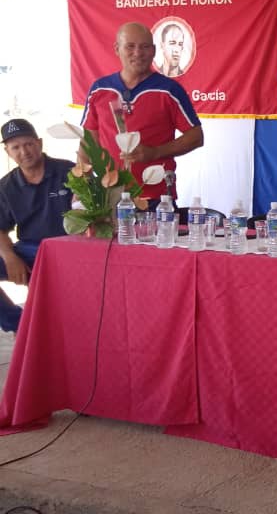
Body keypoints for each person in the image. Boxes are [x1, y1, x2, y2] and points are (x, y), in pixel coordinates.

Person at [81, 22, 203, 206]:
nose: (138, 53)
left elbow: (196, 137)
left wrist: (155, 152)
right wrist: (84, 185)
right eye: (130, 46)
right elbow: (88, 139)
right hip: (109, 196)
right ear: (117, 49)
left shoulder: (169, 90)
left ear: (154, 51)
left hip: (156, 199)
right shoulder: (99, 89)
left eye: (145, 46)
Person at [0, 119, 74, 333]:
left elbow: (92, 212)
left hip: (67, 249)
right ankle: (20, 325)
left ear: (39, 143)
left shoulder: (68, 171)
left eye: (28, 144)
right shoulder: (6, 186)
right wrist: (9, 257)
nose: (24, 151)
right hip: (29, 251)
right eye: (16, 147)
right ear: (8, 152)